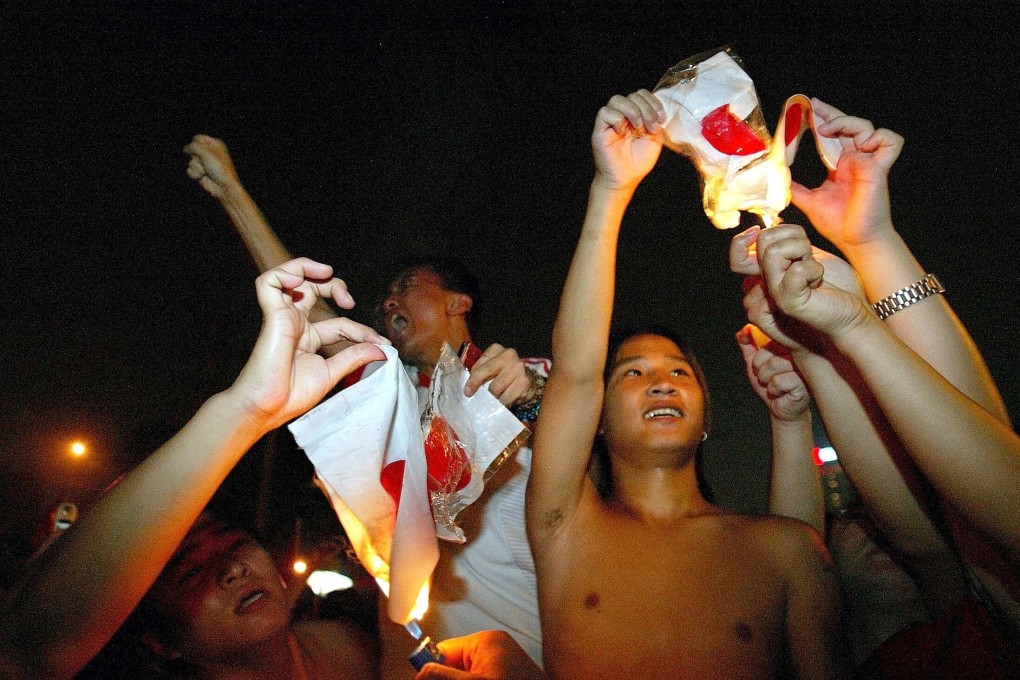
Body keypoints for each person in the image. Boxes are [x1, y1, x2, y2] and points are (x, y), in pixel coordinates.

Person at [184, 135, 548, 676]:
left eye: (406, 287)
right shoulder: (388, 402)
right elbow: (308, 306)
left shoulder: (523, 377)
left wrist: (531, 403)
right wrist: (233, 191)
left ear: (457, 302)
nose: (389, 301)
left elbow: (585, 436)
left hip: (538, 656)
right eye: (387, 296)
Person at [525, 89, 846, 679]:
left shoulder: (786, 551)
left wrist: (791, 416)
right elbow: (573, 370)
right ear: (595, 415)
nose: (662, 384)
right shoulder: (565, 526)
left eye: (679, 372)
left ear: (706, 415)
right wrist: (612, 189)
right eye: (633, 373)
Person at [0, 258, 389, 680]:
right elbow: (24, 651)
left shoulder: (361, 649)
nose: (231, 569)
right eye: (190, 573)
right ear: (160, 643)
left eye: (231, 542)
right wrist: (246, 410)